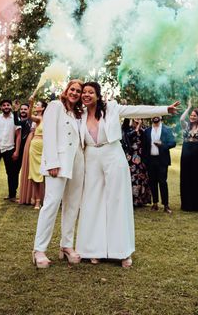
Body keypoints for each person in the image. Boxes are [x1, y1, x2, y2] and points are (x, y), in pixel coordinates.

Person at [76, 81, 179, 268]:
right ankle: (93, 250)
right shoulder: (79, 114)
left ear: (98, 95)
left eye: (91, 92)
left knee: (117, 201)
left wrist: (164, 109)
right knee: (93, 201)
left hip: (113, 155)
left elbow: (137, 110)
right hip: (90, 158)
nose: (86, 95)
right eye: (84, 92)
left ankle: (122, 252)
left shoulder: (112, 108)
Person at [32, 79, 84, 269]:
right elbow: (49, 134)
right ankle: (39, 250)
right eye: (73, 89)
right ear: (67, 90)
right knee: (51, 204)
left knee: (72, 205)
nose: (75, 93)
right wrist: (52, 162)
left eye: (78, 91)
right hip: (59, 163)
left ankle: (66, 245)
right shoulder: (55, 106)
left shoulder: (78, 113)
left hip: (77, 163)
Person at [142, 115, 177, 214]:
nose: (155, 117)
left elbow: (173, 143)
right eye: (153, 115)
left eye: (157, 115)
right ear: (151, 117)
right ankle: (155, 204)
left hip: (162, 160)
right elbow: (144, 147)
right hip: (150, 160)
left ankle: (166, 205)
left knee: (162, 182)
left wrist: (162, 145)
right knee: (152, 182)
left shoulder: (167, 129)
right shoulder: (147, 131)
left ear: (160, 117)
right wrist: (145, 161)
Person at [179, 98, 198, 212]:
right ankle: (187, 204)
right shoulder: (186, 126)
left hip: (197, 154)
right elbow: (181, 118)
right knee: (186, 178)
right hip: (186, 153)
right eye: (191, 115)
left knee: (197, 178)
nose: (192, 117)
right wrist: (188, 108)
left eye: (194, 115)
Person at [121, 118, 152, 207]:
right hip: (131, 157)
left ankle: (140, 200)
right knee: (132, 177)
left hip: (141, 157)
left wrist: (140, 128)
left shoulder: (144, 129)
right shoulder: (128, 128)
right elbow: (128, 137)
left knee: (141, 177)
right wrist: (137, 127)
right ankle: (131, 200)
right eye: (136, 118)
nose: (137, 120)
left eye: (139, 118)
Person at [27, 99, 47, 210]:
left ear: (43, 108)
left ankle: (46, 199)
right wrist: (30, 103)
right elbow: (29, 116)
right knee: (35, 173)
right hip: (35, 146)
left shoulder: (48, 119)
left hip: (46, 147)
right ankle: (37, 200)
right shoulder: (38, 119)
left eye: (37, 105)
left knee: (45, 174)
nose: (36, 106)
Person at [15, 102, 34, 205]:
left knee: (29, 172)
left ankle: (30, 195)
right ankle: (16, 194)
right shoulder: (18, 121)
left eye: (25, 109)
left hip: (30, 149)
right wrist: (15, 111)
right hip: (18, 149)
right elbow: (16, 124)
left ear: (29, 110)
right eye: (21, 109)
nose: (22, 111)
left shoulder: (31, 121)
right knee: (16, 172)